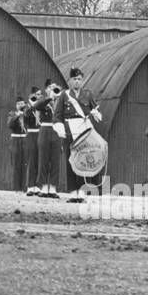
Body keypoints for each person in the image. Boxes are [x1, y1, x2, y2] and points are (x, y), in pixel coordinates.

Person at [53, 68, 103, 201]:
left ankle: (82, 190)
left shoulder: (88, 94)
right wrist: (59, 127)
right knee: (71, 160)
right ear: (69, 81)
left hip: (83, 129)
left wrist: (96, 114)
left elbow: (95, 109)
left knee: (83, 160)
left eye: (79, 79)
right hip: (70, 129)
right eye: (74, 79)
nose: (77, 82)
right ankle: (73, 191)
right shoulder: (64, 95)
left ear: (82, 80)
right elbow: (57, 115)